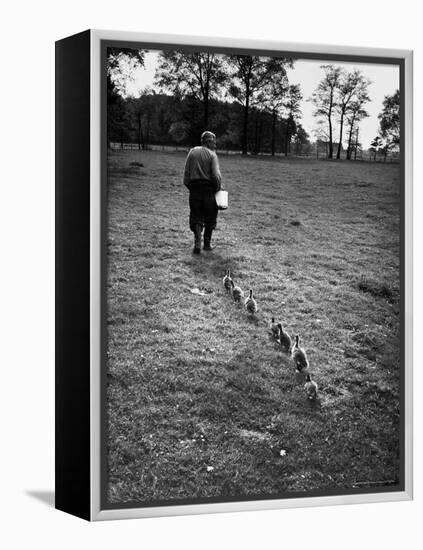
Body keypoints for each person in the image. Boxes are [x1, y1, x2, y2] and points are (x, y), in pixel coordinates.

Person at [183, 131, 222, 254]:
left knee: (196, 216)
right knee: (210, 216)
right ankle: (207, 244)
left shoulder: (192, 152)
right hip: (209, 190)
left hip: (194, 189)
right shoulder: (212, 155)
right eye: (214, 142)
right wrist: (217, 189)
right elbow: (216, 176)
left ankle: (197, 244)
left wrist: (192, 188)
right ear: (208, 141)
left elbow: (186, 176)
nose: (215, 145)